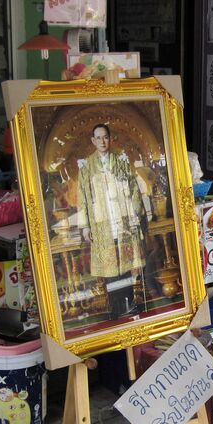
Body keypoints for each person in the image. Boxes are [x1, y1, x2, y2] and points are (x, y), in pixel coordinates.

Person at [76, 124, 146, 318]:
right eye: (98, 138)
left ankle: (130, 303)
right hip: (101, 224)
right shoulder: (87, 166)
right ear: (93, 141)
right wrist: (85, 226)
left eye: (105, 137)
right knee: (109, 267)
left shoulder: (121, 161)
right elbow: (82, 197)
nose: (102, 141)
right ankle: (116, 308)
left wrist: (135, 214)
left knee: (124, 264)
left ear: (110, 138)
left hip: (121, 220)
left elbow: (133, 189)